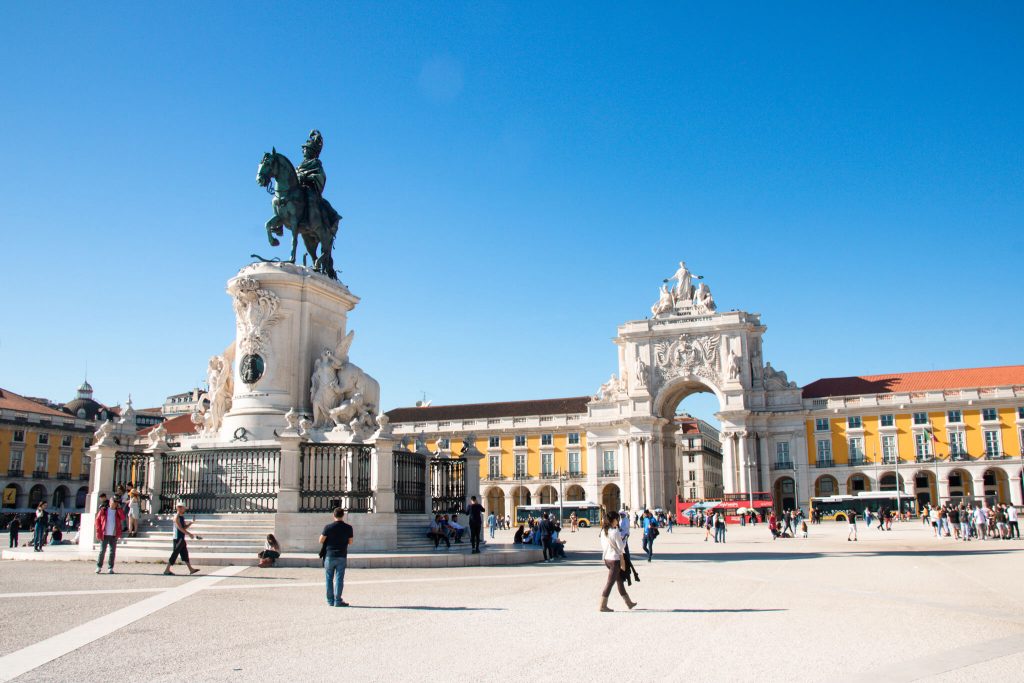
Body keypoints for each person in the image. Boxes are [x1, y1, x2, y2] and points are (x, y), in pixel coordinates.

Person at [598, 511, 637, 612]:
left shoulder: (603, 531)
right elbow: (621, 547)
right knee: (610, 583)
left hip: (607, 558)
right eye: (617, 519)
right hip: (615, 559)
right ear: (613, 520)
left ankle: (628, 602)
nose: (618, 521)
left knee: (619, 581)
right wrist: (624, 540)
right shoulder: (615, 532)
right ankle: (602, 605)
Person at [319, 507, 354, 607]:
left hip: (329, 555)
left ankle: (330, 600)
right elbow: (351, 542)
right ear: (343, 515)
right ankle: (338, 600)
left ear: (333, 515)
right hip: (341, 555)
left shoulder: (328, 527)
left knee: (329, 578)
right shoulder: (348, 527)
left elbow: (321, 540)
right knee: (339, 579)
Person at [164, 503, 200, 576]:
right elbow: (180, 528)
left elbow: (184, 527)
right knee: (175, 553)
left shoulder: (181, 517)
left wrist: (191, 523)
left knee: (185, 553)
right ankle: (167, 570)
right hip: (177, 538)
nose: (185, 509)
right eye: (184, 508)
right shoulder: (176, 517)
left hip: (181, 537)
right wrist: (189, 534)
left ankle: (191, 569)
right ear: (179, 508)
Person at [94, 496, 126, 574]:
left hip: (113, 534)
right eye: (113, 501)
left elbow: (123, 518)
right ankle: (99, 566)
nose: (114, 503)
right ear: (110, 502)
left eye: (116, 502)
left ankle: (110, 567)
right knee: (102, 551)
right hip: (104, 533)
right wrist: (98, 531)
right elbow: (97, 521)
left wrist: (119, 509)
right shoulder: (104, 510)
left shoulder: (118, 511)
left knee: (112, 552)